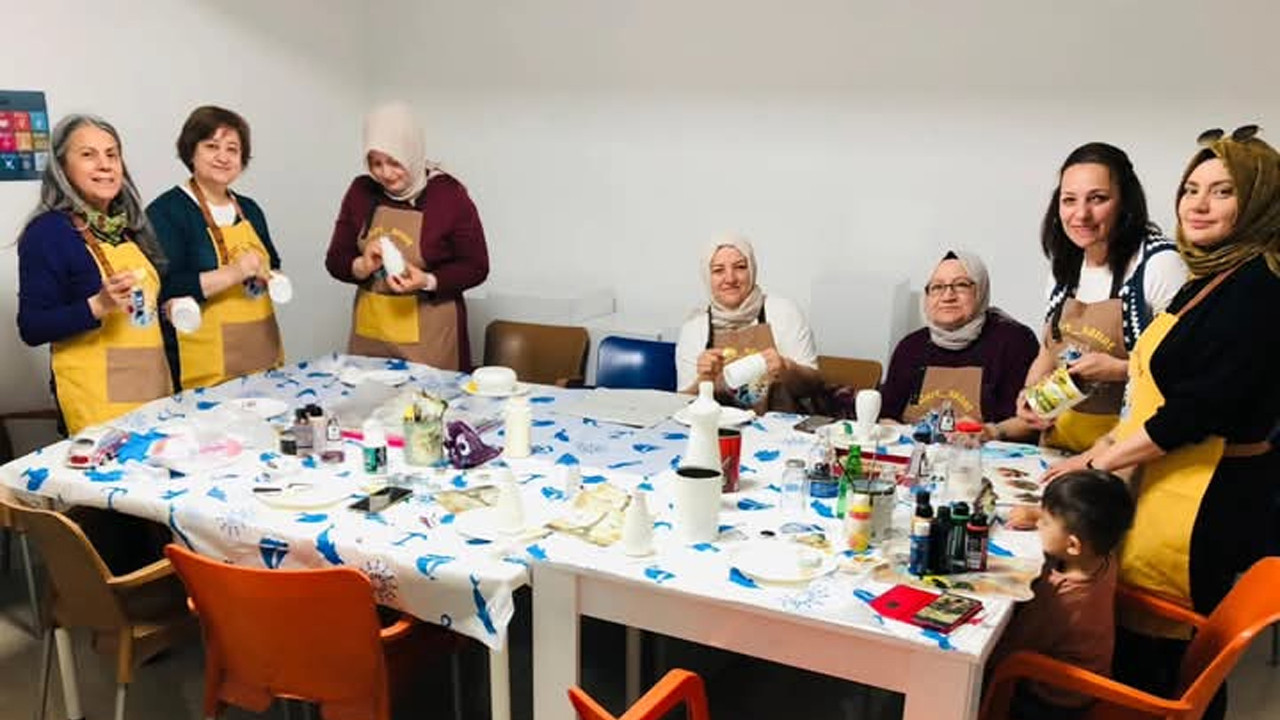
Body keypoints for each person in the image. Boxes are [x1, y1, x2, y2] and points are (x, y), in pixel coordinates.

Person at [1043, 126, 1280, 717]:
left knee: (1170, 660)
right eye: (1191, 189)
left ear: (1260, 201)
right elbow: (1154, 397)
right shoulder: (1215, 277)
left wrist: (1099, 461)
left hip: (1204, 498)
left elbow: (1194, 411)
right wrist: (1089, 454)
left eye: (1222, 191)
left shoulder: (1258, 288)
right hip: (1170, 480)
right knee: (1142, 646)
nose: (1199, 204)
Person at [1015, 143, 1188, 453]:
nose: (1081, 214)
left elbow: (1184, 369)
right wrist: (1030, 395)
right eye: (1069, 200)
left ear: (1125, 202)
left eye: (1097, 199)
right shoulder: (1065, 266)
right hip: (1059, 446)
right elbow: (1048, 351)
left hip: (1126, 452)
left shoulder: (1160, 265)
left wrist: (1119, 369)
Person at [16, 114, 172, 434]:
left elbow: (141, 312)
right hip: (97, 404)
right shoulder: (48, 233)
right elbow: (32, 326)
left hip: (153, 387)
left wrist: (167, 308)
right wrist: (98, 305)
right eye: (88, 155)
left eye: (112, 154)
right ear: (62, 168)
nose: (105, 165)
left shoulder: (128, 227)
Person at [325, 102, 488, 370]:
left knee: (426, 397)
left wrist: (426, 280)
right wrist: (361, 266)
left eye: (394, 162)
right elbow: (335, 259)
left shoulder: (449, 195)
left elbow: (476, 266)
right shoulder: (361, 191)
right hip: (371, 337)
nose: (385, 174)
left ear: (411, 152)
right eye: (375, 163)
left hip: (430, 340)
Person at [147, 106, 284, 389]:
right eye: (211, 146)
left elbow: (274, 264)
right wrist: (235, 273)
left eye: (232, 149)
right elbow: (166, 286)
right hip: (203, 366)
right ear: (191, 152)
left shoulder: (250, 209)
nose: (223, 157)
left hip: (260, 353)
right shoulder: (167, 211)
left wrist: (272, 277)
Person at [986, 470, 1135, 719]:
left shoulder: (1060, 600)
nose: (1038, 525)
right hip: (1089, 679)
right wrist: (1043, 517)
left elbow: (1010, 650)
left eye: (1045, 522)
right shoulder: (1104, 555)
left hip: (1053, 698)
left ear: (1073, 545)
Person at [880, 251, 1039, 430]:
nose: (948, 296)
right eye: (937, 287)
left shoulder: (1015, 342)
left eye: (961, 285)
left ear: (980, 291)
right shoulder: (910, 346)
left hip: (984, 447)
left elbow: (1028, 422)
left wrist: (989, 433)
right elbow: (886, 415)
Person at [675, 233, 822, 412]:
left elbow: (814, 386)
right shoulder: (694, 327)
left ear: (752, 270)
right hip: (718, 426)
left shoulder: (784, 312)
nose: (730, 279)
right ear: (707, 276)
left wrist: (787, 368)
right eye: (718, 270)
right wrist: (704, 380)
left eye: (740, 267)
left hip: (778, 426)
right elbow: (681, 403)